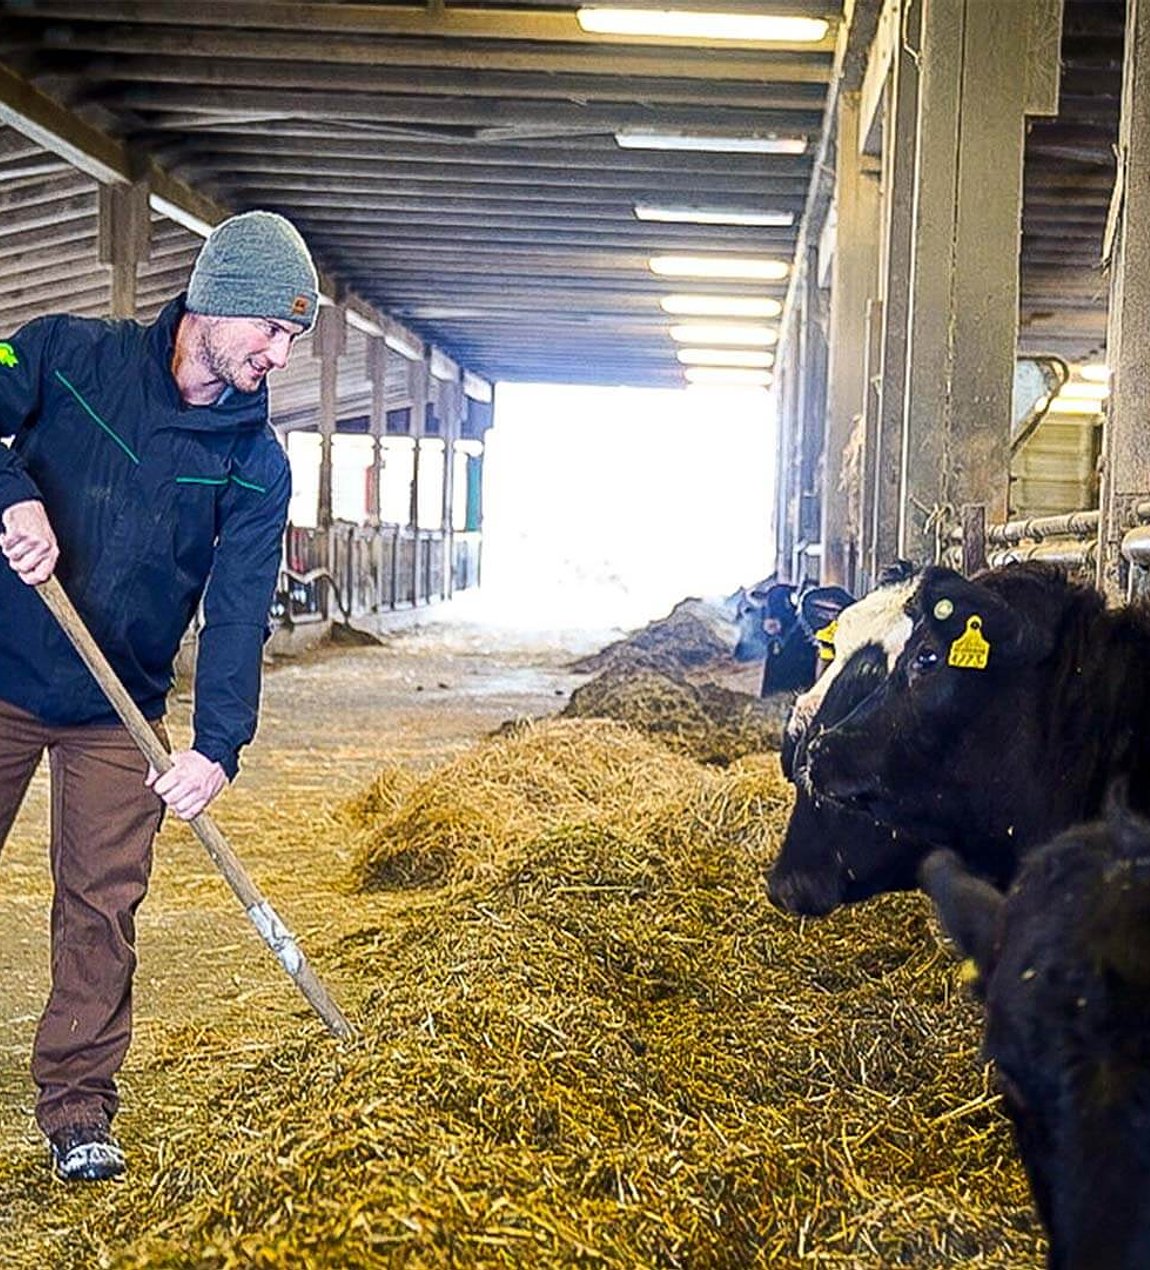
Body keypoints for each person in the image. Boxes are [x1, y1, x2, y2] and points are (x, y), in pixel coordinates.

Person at [0, 210, 317, 1182]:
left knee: (101, 907)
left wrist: (218, 746)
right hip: (3, 668)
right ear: (215, 302)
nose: (279, 355)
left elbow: (238, 612)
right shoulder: (65, 354)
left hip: (117, 706)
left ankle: (78, 1107)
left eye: (293, 339)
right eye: (271, 329)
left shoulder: (255, 462)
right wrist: (12, 492)